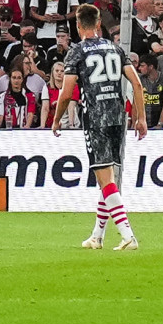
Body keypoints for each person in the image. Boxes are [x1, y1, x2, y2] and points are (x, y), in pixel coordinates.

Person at [61, 25, 138, 252]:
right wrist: (139, 116)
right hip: (118, 117)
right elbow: (137, 84)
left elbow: (66, 93)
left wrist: (56, 120)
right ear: (97, 25)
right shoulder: (115, 48)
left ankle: (128, 235)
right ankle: (97, 236)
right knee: (107, 179)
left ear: (79, 25)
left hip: (96, 119)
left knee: (106, 181)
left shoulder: (78, 51)